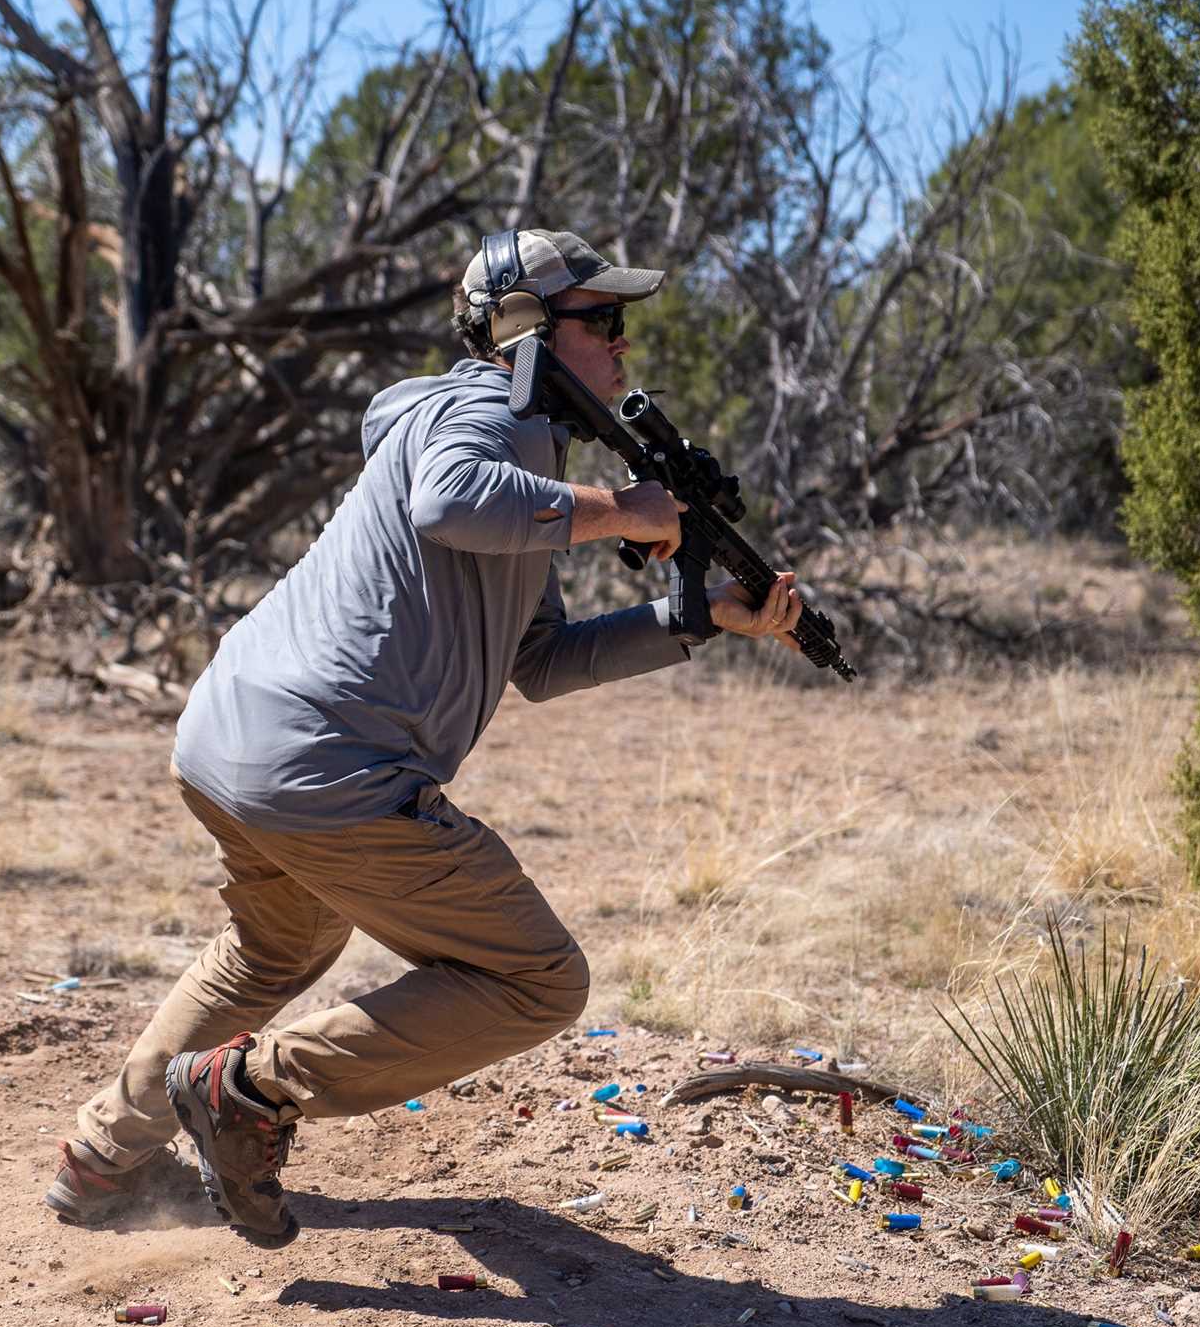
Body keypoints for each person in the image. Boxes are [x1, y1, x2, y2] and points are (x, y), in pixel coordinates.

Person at [44, 228, 803, 1247]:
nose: (622, 345)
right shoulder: (485, 410)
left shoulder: (518, 456)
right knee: (538, 979)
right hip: (326, 762)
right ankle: (251, 1092)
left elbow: (539, 661)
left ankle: (101, 1160)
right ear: (529, 328)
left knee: (279, 945)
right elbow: (451, 501)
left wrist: (702, 615)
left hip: (229, 741)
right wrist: (619, 507)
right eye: (603, 321)